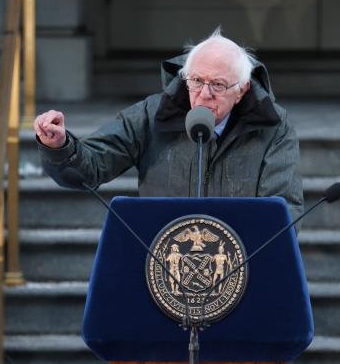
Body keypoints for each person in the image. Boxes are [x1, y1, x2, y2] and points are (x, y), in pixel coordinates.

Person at [34, 28, 303, 221]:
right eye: (196, 81)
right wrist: (60, 146)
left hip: (237, 266)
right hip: (162, 264)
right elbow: (92, 167)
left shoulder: (273, 128)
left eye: (218, 85)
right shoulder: (153, 114)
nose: (204, 94)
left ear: (242, 90)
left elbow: (282, 211)